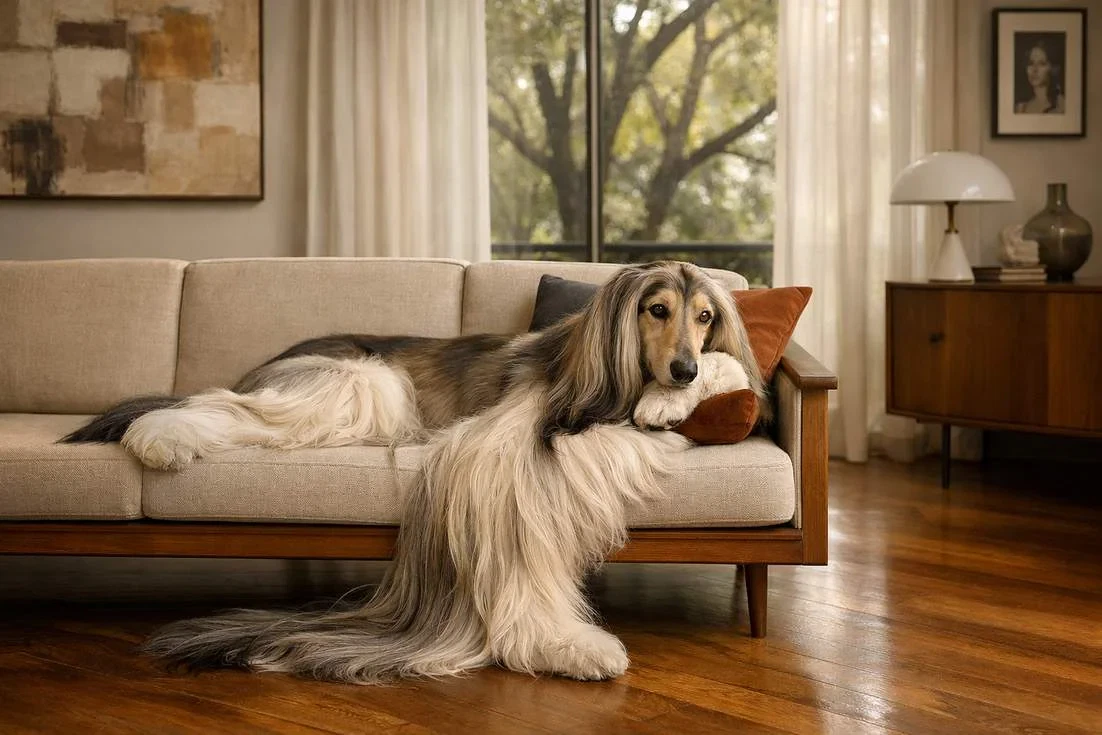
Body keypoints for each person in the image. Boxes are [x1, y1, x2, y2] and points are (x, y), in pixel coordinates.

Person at [1016, 39, 1065, 114]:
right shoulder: (1021, 108)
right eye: (1030, 63)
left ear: (1052, 68)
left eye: (1042, 64)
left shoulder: (1062, 105)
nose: (1034, 69)